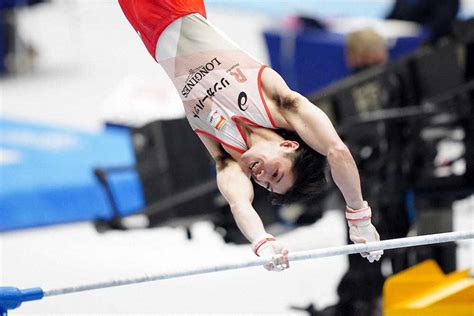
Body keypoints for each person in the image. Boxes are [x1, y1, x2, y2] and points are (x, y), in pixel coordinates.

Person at [118, 0, 383, 271]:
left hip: (146, 29)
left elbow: (239, 202)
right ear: (289, 144)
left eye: (266, 185)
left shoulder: (226, 156)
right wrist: (358, 215)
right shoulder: (279, 104)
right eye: (276, 174)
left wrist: (262, 241)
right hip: (177, 7)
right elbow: (336, 151)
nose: (262, 177)